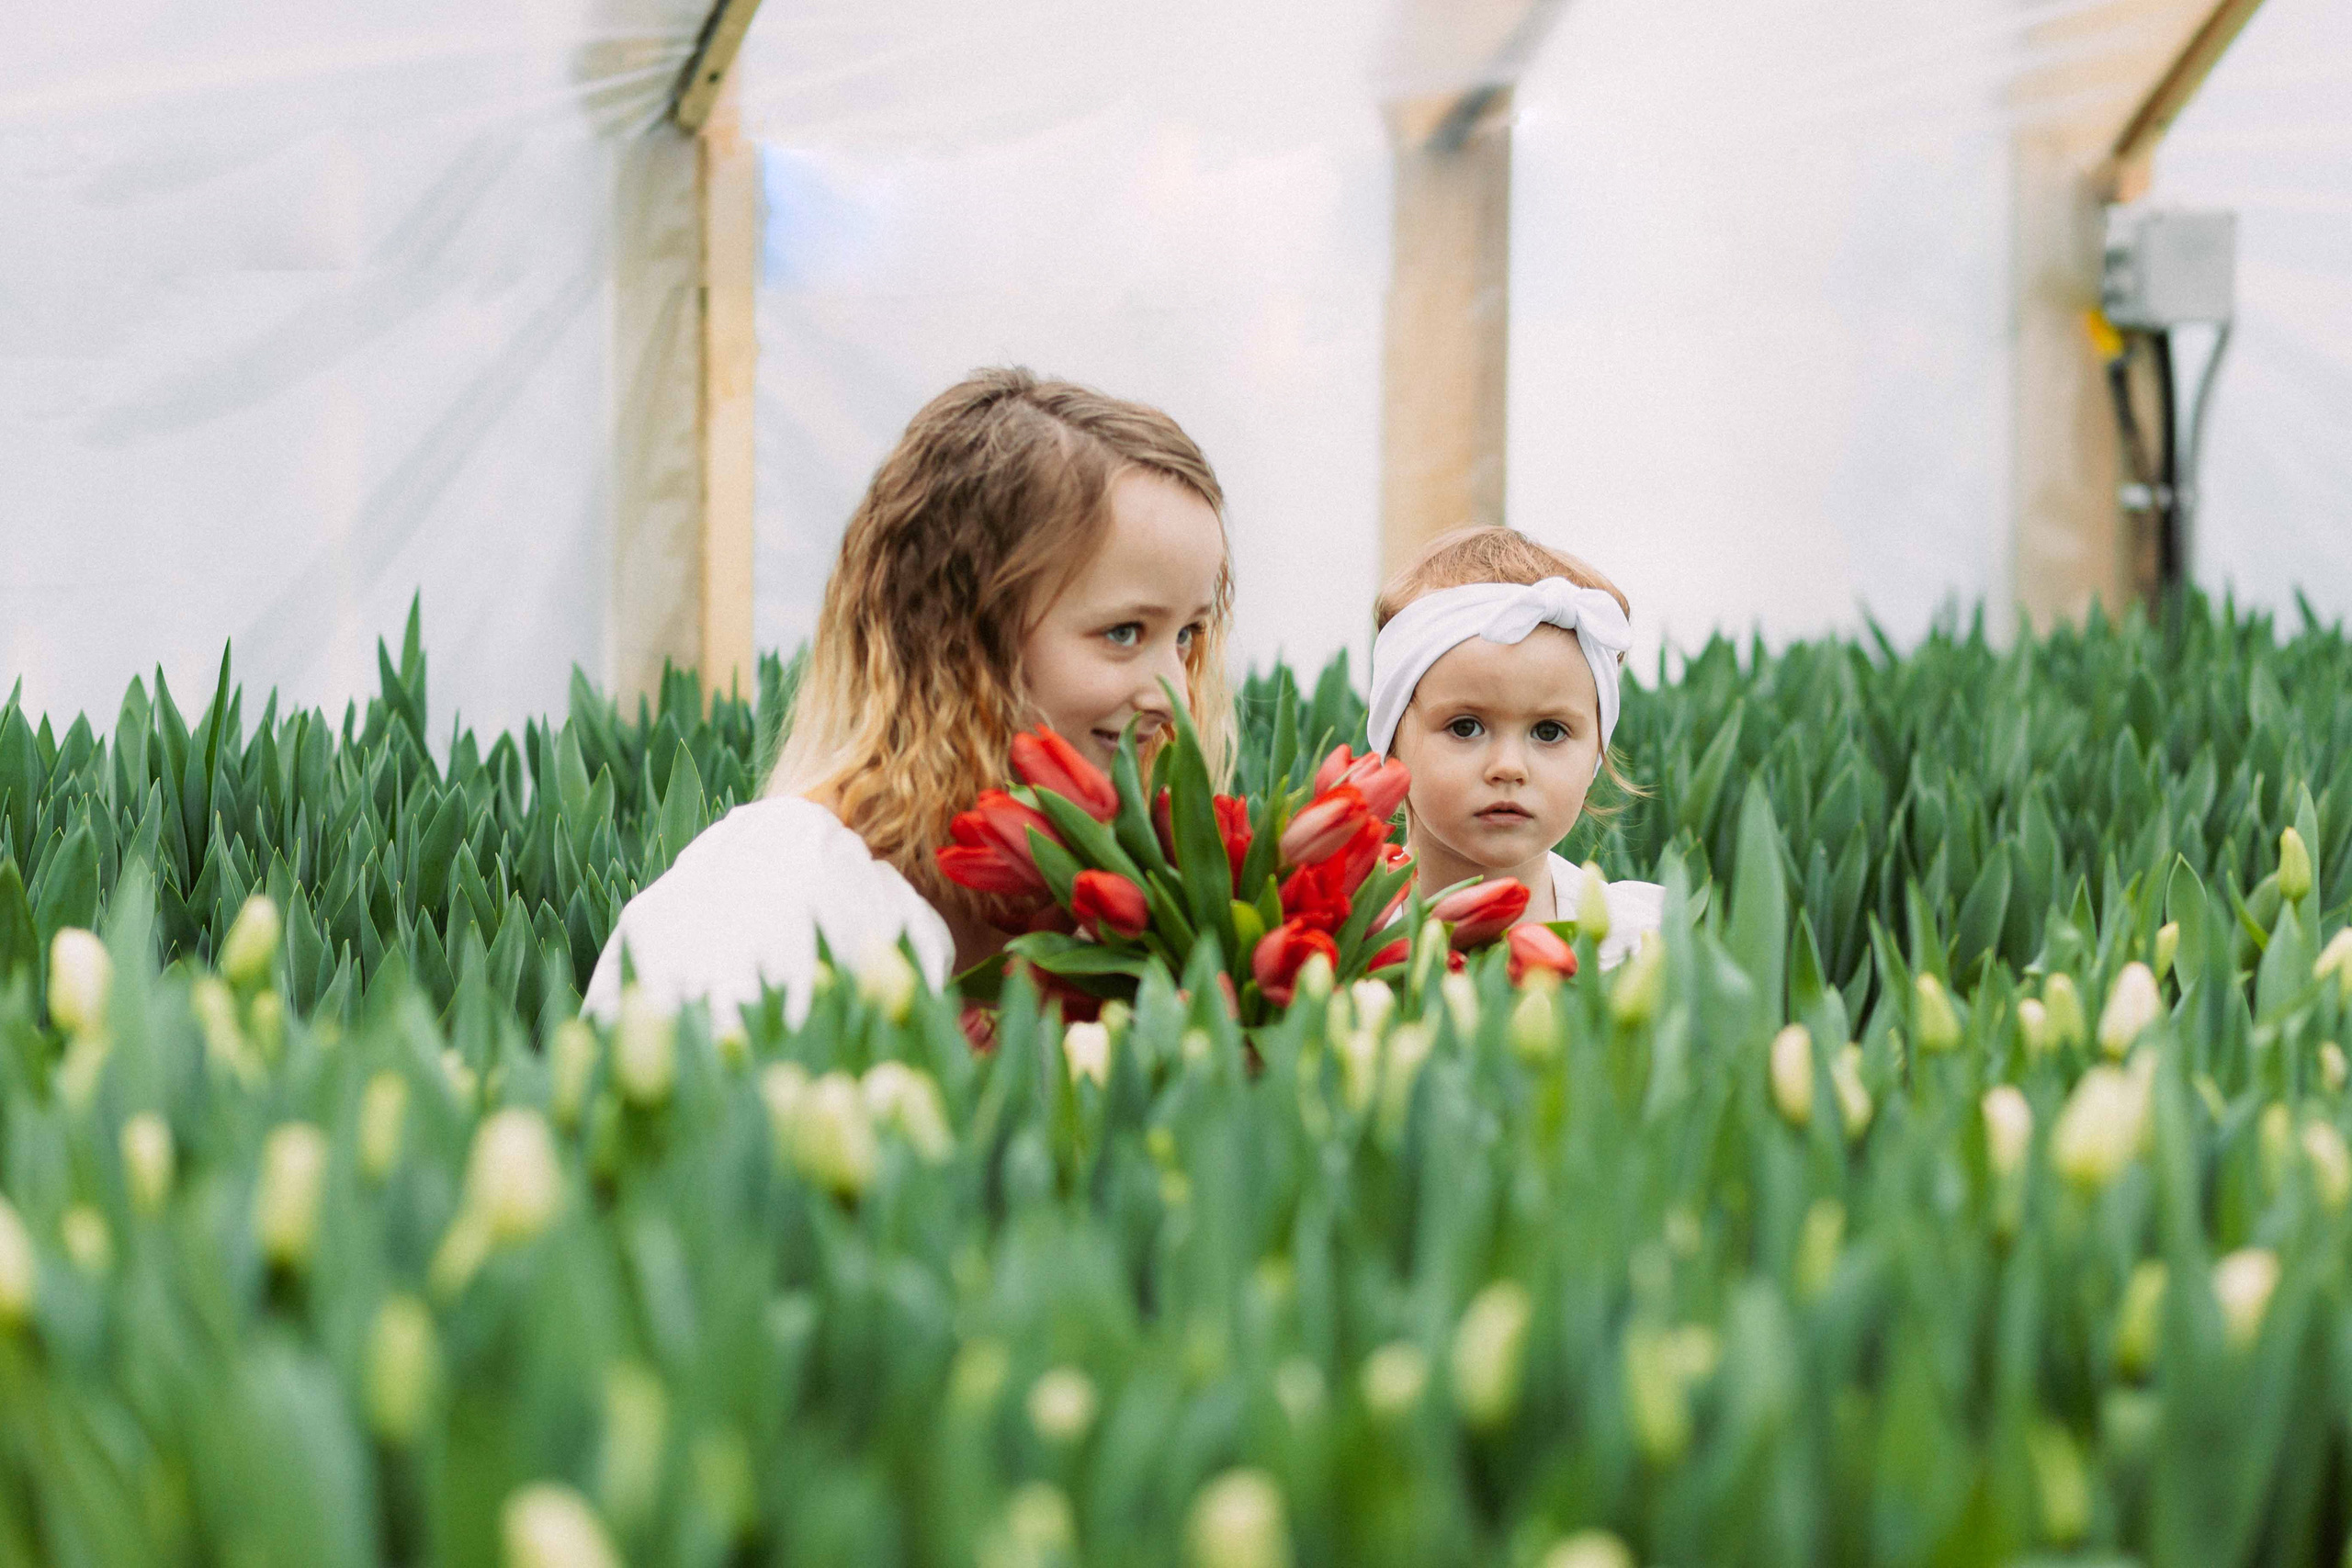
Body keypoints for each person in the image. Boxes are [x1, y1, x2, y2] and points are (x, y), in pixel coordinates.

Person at [583, 367, 1235, 1024]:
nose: (1174, 694)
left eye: (1187, 635)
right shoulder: (774, 897)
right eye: (1123, 632)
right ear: (961, 638)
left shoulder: (1111, 921)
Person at [1368, 526, 1663, 967]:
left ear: (1596, 757)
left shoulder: (1635, 943)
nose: (1508, 767)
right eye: (1466, 727)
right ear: (1392, 745)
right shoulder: (1350, 934)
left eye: (1549, 732)